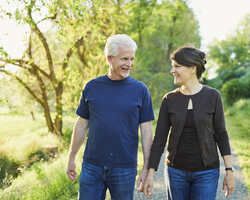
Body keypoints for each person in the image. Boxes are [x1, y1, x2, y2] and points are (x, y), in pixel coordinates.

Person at [66, 34, 154, 200]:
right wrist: (71, 157)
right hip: (92, 166)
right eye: (124, 59)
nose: (129, 64)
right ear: (109, 59)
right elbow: (81, 125)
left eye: (131, 59)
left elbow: (147, 132)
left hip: (125, 168)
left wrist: (146, 168)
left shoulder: (140, 90)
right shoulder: (91, 87)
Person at [143, 46, 234, 200]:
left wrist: (229, 170)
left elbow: (221, 134)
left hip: (206, 173)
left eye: (177, 66)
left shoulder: (213, 96)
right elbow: (159, 139)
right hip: (175, 172)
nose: (172, 70)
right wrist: (150, 173)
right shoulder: (169, 99)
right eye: (173, 66)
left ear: (192, 68)